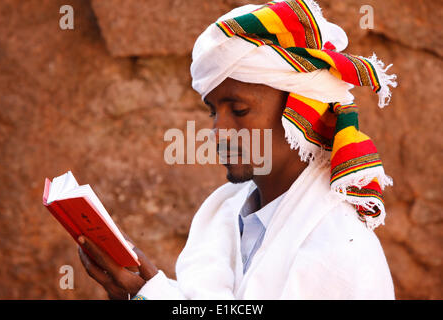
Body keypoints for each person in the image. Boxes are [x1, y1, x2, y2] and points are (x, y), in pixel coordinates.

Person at [78, 0, 397, 299]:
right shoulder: (225, 212)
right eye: (213, 111)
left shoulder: (338, 247)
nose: (219, 131)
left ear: (300, 113)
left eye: (239, 110)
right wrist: (146, 289)